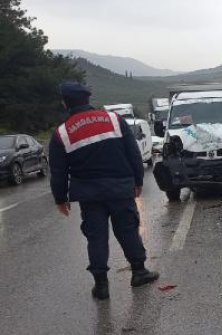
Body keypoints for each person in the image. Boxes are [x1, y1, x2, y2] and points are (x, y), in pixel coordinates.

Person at [49, 81, 159, 300]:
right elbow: (134, 154)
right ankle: (139, 272)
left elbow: (58, 171)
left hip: (90, 196)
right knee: (128, 230)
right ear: (88, 99)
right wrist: (138, 181)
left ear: (65, 103)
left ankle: (101, 286)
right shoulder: (114, 120)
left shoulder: (61, 134)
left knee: (96, 237)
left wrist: (60, 199)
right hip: (120, 189)